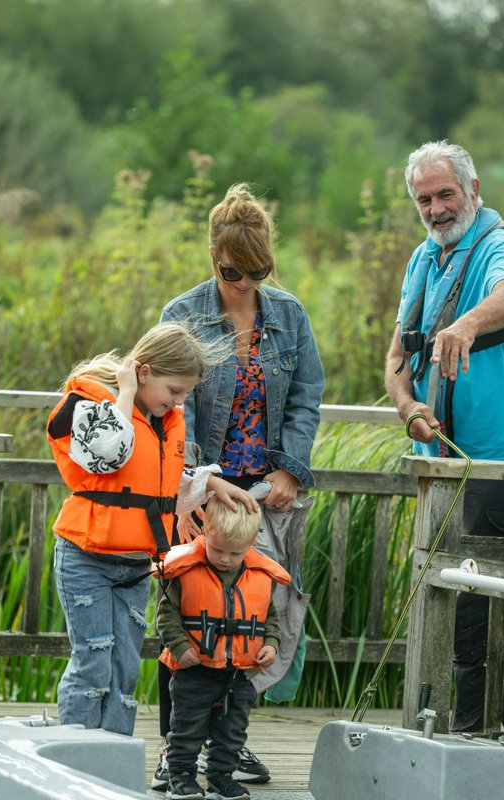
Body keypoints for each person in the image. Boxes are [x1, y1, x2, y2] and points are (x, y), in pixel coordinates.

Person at [384, 140, 504, 733]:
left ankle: (474, 731)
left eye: (445, 195)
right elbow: (396, 359)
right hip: (441, 460)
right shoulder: (422, 259)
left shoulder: (501, 247)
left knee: (476, 598)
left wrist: (464, 324)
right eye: (423, 199)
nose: (435, 209)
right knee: (472, 593)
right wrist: (409, 406)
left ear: (473, 191)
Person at [154, 183, 325, 788]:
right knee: (188, 616)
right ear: (212, 255)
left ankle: (230, 747)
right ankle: (174, 751)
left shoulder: (291, 315)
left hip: (264, 498)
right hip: (201, 490)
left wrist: (289, 470)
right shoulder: (183, 315)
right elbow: (172, 410)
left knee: (252, 619)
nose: (243, 284)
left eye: (257, 273)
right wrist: (197, 488)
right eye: (231, 272)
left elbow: (306, 399)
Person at [45, 321, 259, 735]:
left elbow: (157, 479)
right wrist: (124, 392)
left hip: (134, 566)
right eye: (174, 391)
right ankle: (72, 762)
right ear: (142, 372)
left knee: (125, 667)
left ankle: (112, 758)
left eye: (184, 394)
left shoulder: (160, 419)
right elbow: (110, 452)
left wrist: (213, 482)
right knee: (93, 663)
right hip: (86, 559)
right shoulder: (92, 406)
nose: (178, 402)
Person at [156, 496, 289, 800]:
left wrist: (270, 644)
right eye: (217, 550)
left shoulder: (258, 574)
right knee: (187, 730)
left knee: (231, 733)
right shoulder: (187, 570)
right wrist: (178, 646)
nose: (226, 559)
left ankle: (221, 779)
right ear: (205, 533)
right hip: (194, 671)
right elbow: (166, 615)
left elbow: (269, 616)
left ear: (251, 543)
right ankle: (181, 779)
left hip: (239, 675)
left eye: (235, 553)